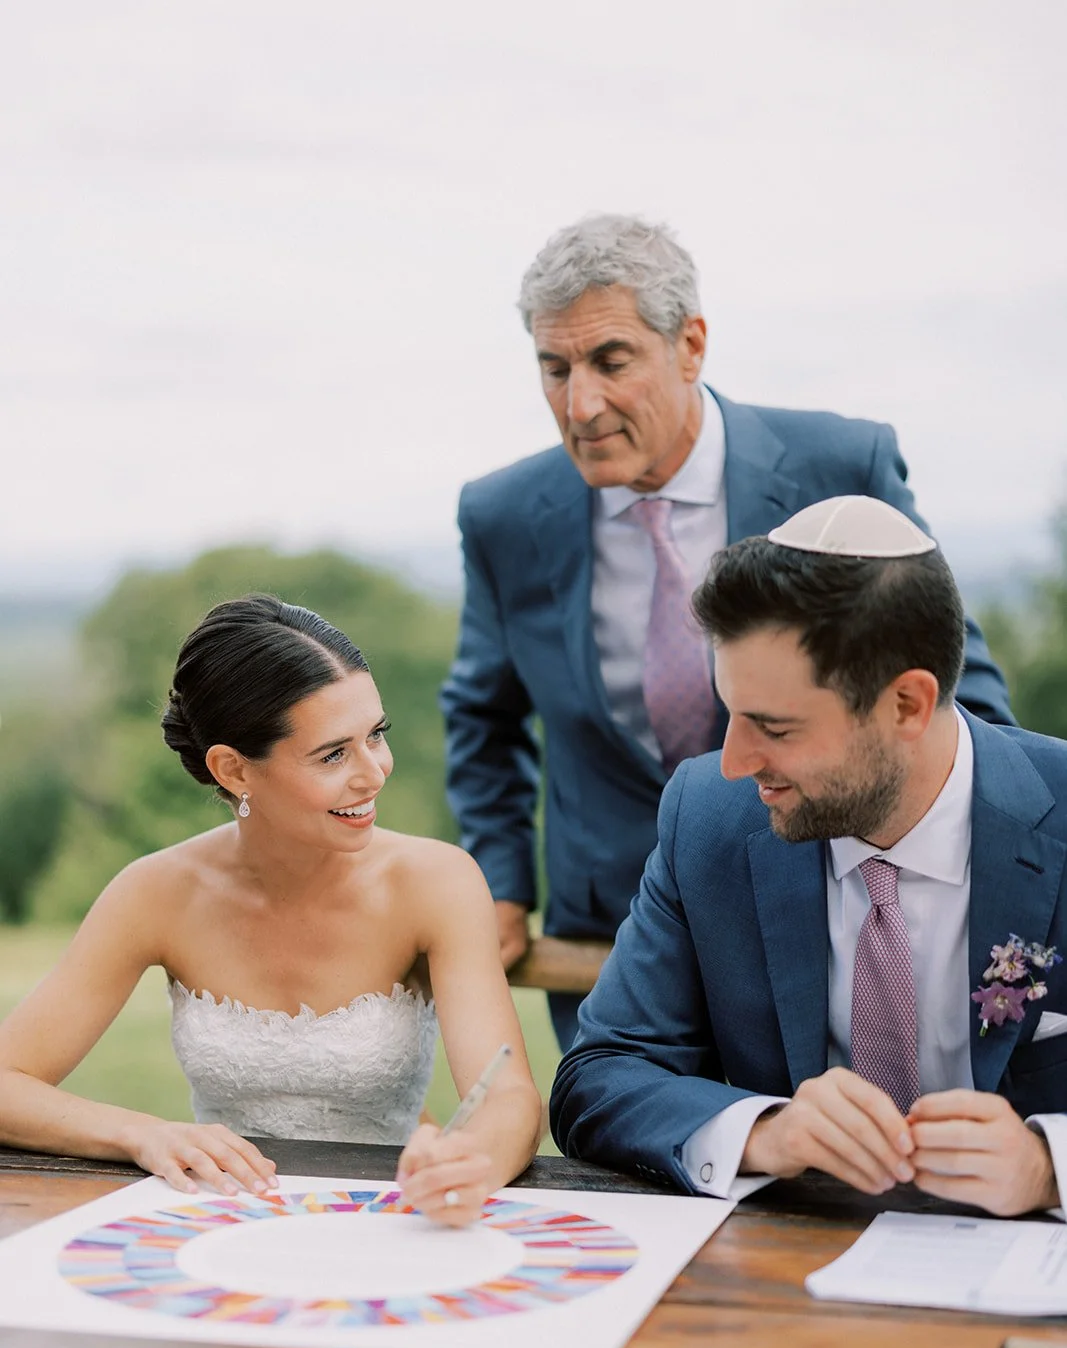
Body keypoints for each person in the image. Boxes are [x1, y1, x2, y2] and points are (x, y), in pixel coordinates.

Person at [440, 214, 1014, 1051]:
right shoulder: (499, 514)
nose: (579, 403)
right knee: (639, 1148)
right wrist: (498, 882)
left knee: (816, 1162)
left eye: (609, 361)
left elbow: (951, 683)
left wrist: (990, 872)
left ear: (691, 344)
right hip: (609, 939)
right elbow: (481, 718)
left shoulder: (839, 466)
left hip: (827, 907)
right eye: (553, 366)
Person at [550, 497, 1066, 1219]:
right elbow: (598, 1076)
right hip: (786, 1279)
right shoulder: (709, 818)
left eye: (773, 727)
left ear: (907, 705)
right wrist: (767, 1131)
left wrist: (1047, 1167)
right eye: (728, 712)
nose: (732, 763)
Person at [0, 595, 542, 1227]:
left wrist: (470, 1158)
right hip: (221, 1222)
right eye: (334, 754)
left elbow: (508, 1097)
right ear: (233, 769)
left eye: (377, 736)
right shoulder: (154, 892)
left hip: (387, 1219)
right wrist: (140, 1134)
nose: (375, 773)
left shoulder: (437, 882)